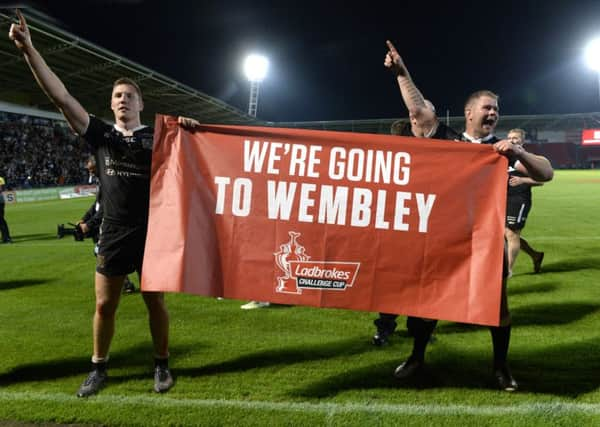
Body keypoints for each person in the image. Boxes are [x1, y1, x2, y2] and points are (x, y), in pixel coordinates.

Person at [10, 10, 198, 397]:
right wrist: (29, 49)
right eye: (117, 96)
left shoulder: (160, 136)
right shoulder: (101, 135)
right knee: (103, 306)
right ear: (111, 105)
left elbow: (201, 159)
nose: (123, 100)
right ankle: (99, 369)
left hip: (151, 233)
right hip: (112, 230)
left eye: (129, 96)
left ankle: (161, 365)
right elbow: (60, 96)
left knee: (155, 304)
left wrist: (194, 130)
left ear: (141, 103)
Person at [382, 41, 553, 391]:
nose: (493, 113)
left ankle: (501, 367)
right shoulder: (445, 138)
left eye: (496, 110)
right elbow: (418, 112)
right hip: (443, 236)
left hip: (485, 239)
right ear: (469, 112)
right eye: (487, 108)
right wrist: (402, 73)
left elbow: (546, 172)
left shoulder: (502, 149)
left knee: (497, 305)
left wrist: (518, 149)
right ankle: (416, 357)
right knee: (428, 301)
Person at [78, 156, 136, 293]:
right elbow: (96, 205)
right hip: (101, 225)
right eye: (89, 170)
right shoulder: (101, 181)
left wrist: (89, 224)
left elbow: (106, 208)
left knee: (103, 252)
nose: (90, 173)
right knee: (102, 252)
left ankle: (122, 283)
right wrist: (84, 218)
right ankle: (124, 283)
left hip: (109, 224)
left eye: (92, 170)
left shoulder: (109, 181)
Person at [504, 128, 545, 276]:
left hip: (519, 200)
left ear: (523, 141)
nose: (511, 140)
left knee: (511, 234)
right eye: (509, 137)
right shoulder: (506, 157)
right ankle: (535, 255)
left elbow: (541, 180)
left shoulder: (527, 159)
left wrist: (522, 180)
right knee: (506, 234)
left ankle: (507, 271)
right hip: (503, 199)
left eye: (515, 138)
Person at [0, 175, 12, 243]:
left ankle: (7, 238)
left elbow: (1, 189)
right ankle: (6, 238)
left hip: (0, 201)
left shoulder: (0, 179)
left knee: (1, 220)